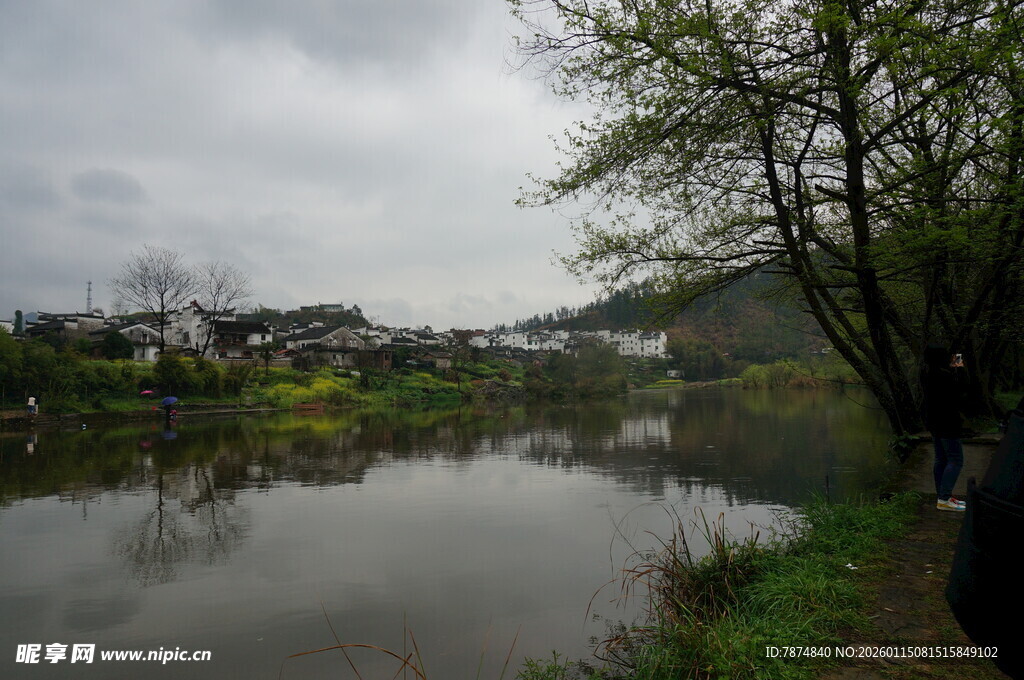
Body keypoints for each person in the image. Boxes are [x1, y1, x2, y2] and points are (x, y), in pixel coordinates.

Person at [921, 345, 966, 511]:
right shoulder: (944, 377)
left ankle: (943, 497)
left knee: (941, 459)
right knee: (956, 460)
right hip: (948, 422)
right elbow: (962, 386)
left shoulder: (927, 374)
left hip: (934, 422)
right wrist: (958, 360)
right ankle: (944, 498)